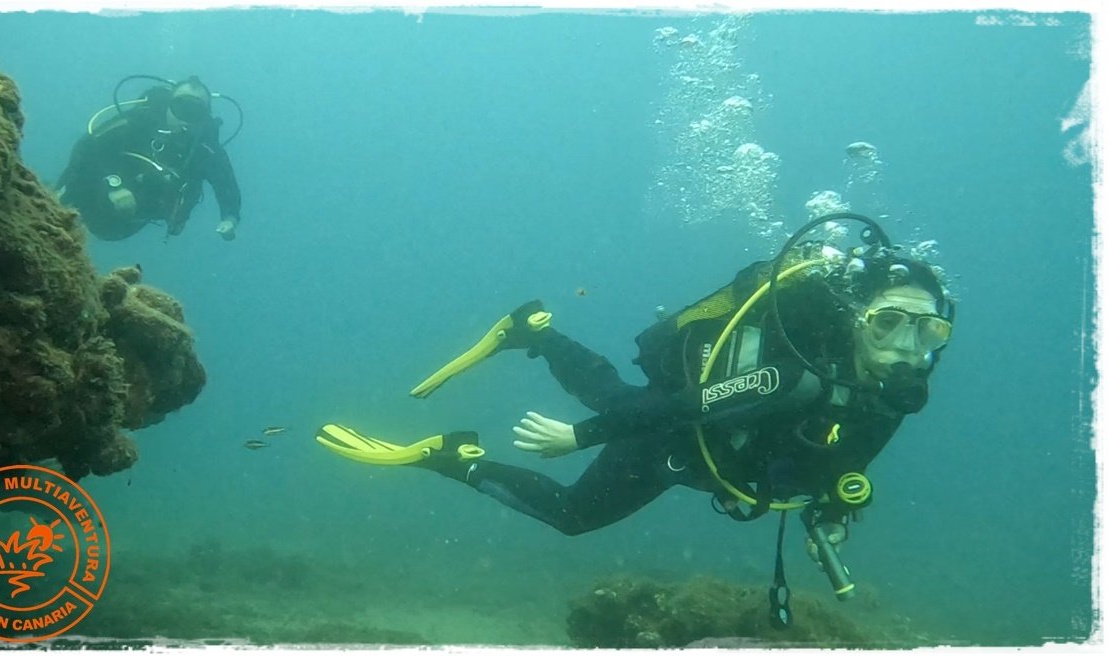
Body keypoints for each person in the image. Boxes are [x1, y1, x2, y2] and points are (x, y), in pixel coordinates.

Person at [316, 213, 955, 619]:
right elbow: (682, 407)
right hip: (682, 431)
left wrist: (835, 511)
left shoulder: (890, 391)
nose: (907, 346)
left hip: (713, 445)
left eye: (927, 330)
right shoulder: (795, 377)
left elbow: (844, 457)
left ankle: (534, 332)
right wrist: (578, 437)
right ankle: (453, 455)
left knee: (619, 402)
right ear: (857, 319)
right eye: (889, 322)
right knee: (581, 500)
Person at [56, 75, 242, 242]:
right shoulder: (139, 122)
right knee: (63, 208)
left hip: (128, 222)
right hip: (92, 192)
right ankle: (55, 203)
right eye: (180, 107)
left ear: (204, 116)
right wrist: (114, 184)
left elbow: (226, 183)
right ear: (168, 105)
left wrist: (230, 218)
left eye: (195, 111)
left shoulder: (206, 147)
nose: (185, 118)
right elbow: (88, 146)